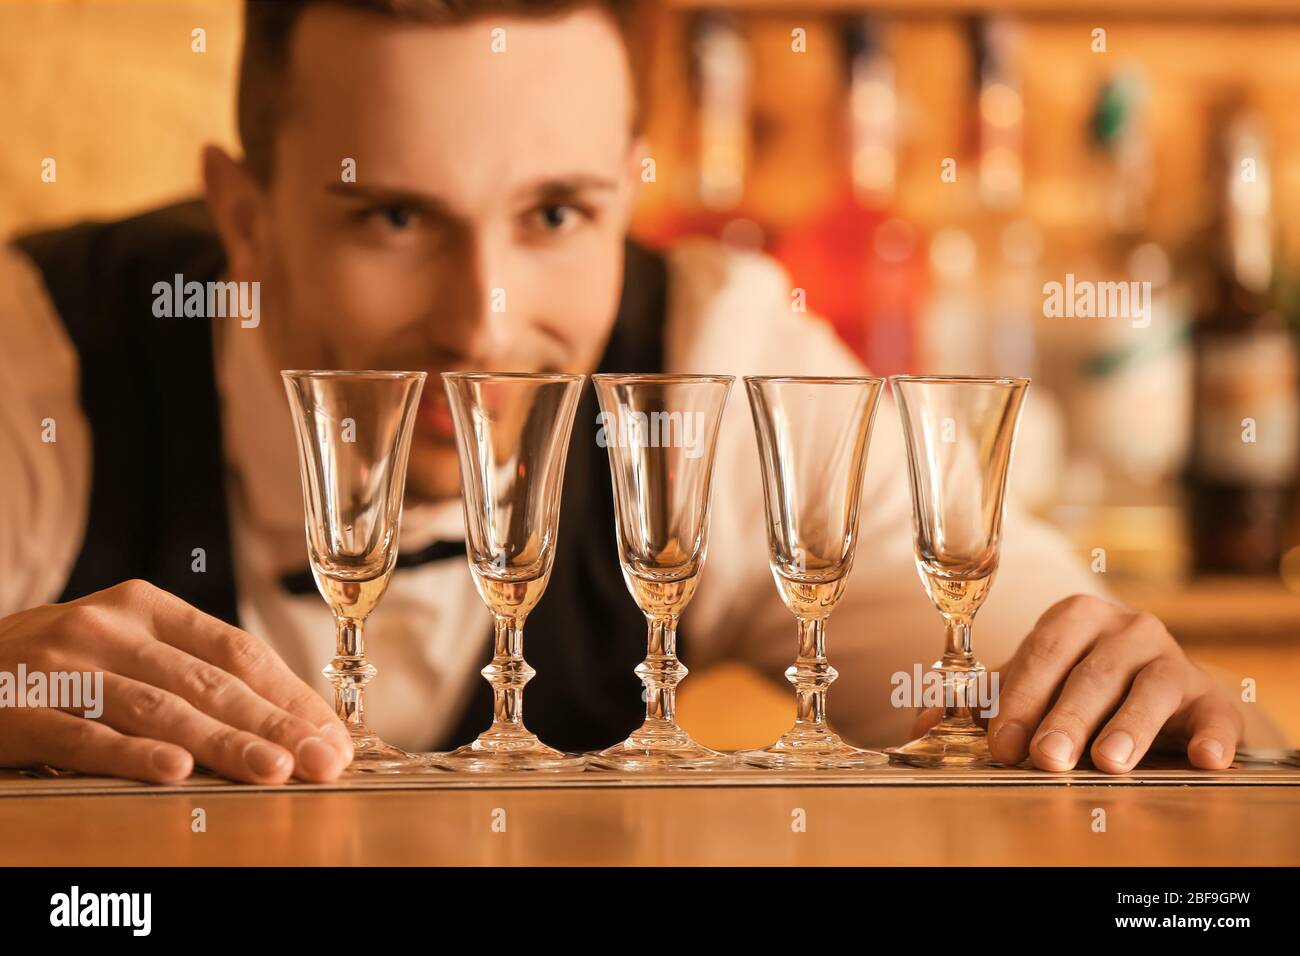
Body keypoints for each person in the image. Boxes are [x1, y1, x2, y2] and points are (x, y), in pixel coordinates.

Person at [0, 0, 1279, 785]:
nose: (484, 322)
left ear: (625, 193)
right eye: (392, 215)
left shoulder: (716, 357)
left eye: (556, 212)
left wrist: (1113, 699)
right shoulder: (41, 355)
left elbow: (1001, 666)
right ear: (245, 217)